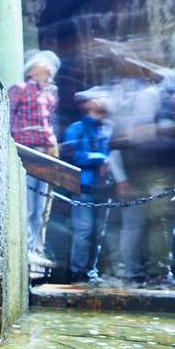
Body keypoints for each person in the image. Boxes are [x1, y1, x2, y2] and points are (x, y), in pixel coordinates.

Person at [110, 70, 175, 286]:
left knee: (147, 224)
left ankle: (142, 272)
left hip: (145, 171)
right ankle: (154, 272)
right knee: (156, 222)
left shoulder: (137, 105)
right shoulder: (155, 102)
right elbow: (130, 139)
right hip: (153, 171)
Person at [8, 50, 61, 269]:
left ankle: (37, 247)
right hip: (26, 147)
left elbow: (49, 122)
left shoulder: (50, 94)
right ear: (32, 70)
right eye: (44, 67)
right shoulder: (19, 90)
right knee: (28, 200)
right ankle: (26, 248)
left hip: (45, 149)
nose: (49, 70)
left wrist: (53, 143)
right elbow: (9, 116)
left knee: (42, 205)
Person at [62, 89, 112, 284]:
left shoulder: (106, 130)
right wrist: (101, 159)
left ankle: (91, 270)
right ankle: (79, 272)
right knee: (83, 230)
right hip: (83, 187)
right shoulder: (76, 128)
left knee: (98, 232)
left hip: (104, 188)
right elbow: (71, 155)